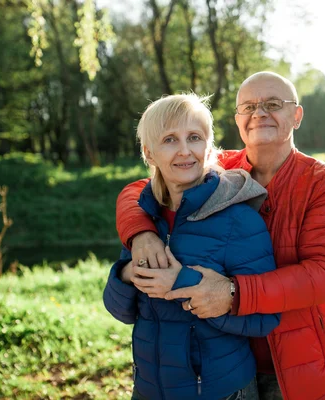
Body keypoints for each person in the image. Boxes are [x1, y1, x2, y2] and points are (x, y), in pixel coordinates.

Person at [115, 72, 325, 400]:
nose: (260, 113)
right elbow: (139, 190)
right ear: (238, 120)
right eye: (249, 107)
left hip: (297, 362)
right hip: (228, 360)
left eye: (273, 104)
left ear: (296, 115)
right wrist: (141, 234)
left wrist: (233, 291)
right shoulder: (219, 167)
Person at [103, 93, 281, 400]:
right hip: (148, 390)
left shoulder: (239, 220)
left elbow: (265, 318)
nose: (185, 151)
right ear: (150, 152)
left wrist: (185, 283)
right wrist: (129, 272)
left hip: (221, 392)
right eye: (170, 139)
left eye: (194, 137)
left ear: (208, 146)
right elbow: (120, 310)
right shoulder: (145, 219)